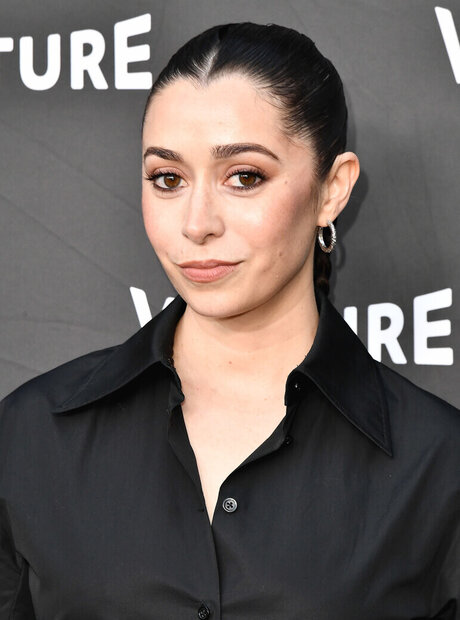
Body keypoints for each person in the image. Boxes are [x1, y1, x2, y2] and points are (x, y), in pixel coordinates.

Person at [0, 21, 458, 620]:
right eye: (168, 179)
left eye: (244, 177)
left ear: (332, 190)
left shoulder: (439, 465)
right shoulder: (31, 436)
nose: (197, 224)